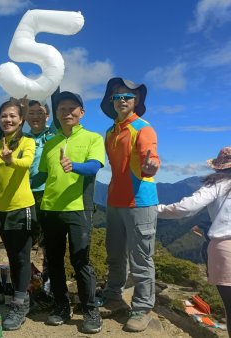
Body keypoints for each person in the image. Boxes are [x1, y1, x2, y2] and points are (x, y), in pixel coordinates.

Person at [38, 92, 104, 334]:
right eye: (62, 108)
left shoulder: (93, 138)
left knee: (81, 261)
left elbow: (94, 167)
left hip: (79, 209)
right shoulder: (50, 143)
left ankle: (90, 310)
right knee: (54, 262)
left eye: (72, 107)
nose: (67, 111)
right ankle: (61, 307)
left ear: (82, 112)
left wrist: (73, 166)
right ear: (56, 114)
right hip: (50, 209)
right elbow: (43, 176)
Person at [99, 77, 160, 332]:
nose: (121, 100)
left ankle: (143, 307)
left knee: (141, 258)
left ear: (136, 101)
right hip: (115, 200)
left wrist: (151, 164)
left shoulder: (143, 128)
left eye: (127, 96)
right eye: (116, 96)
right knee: (115, 253)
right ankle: (113, 294)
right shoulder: (111, 132)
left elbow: (151, 155)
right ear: (111, 102)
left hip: (140, 201)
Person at [157, 146, 231, 337]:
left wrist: (154, 209)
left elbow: (186, 208)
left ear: (219, 167)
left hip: (225, 248)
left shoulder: (217, 184)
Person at [0, 98, 36, 330]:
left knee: (21, 256)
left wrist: (11, 159)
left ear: (21, 120)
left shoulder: (27, 142)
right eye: (4, 116)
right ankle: (22, 296)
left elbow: (26, 162)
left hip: (22, 207)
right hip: (0, 209)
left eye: (12, 116)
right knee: (11, 256)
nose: (8, 119)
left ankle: (20, 304)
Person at [24, 99, 56, 306]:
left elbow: (56, 95)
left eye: (40, 112)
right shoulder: (21, 137)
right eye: (31, 112)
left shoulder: (53, 134)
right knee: (25, 243)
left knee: (50, 245)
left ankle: (50, 289)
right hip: (24, 195)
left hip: (49, 194)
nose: (35, 116)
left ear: (48, 116)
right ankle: (28, 288)